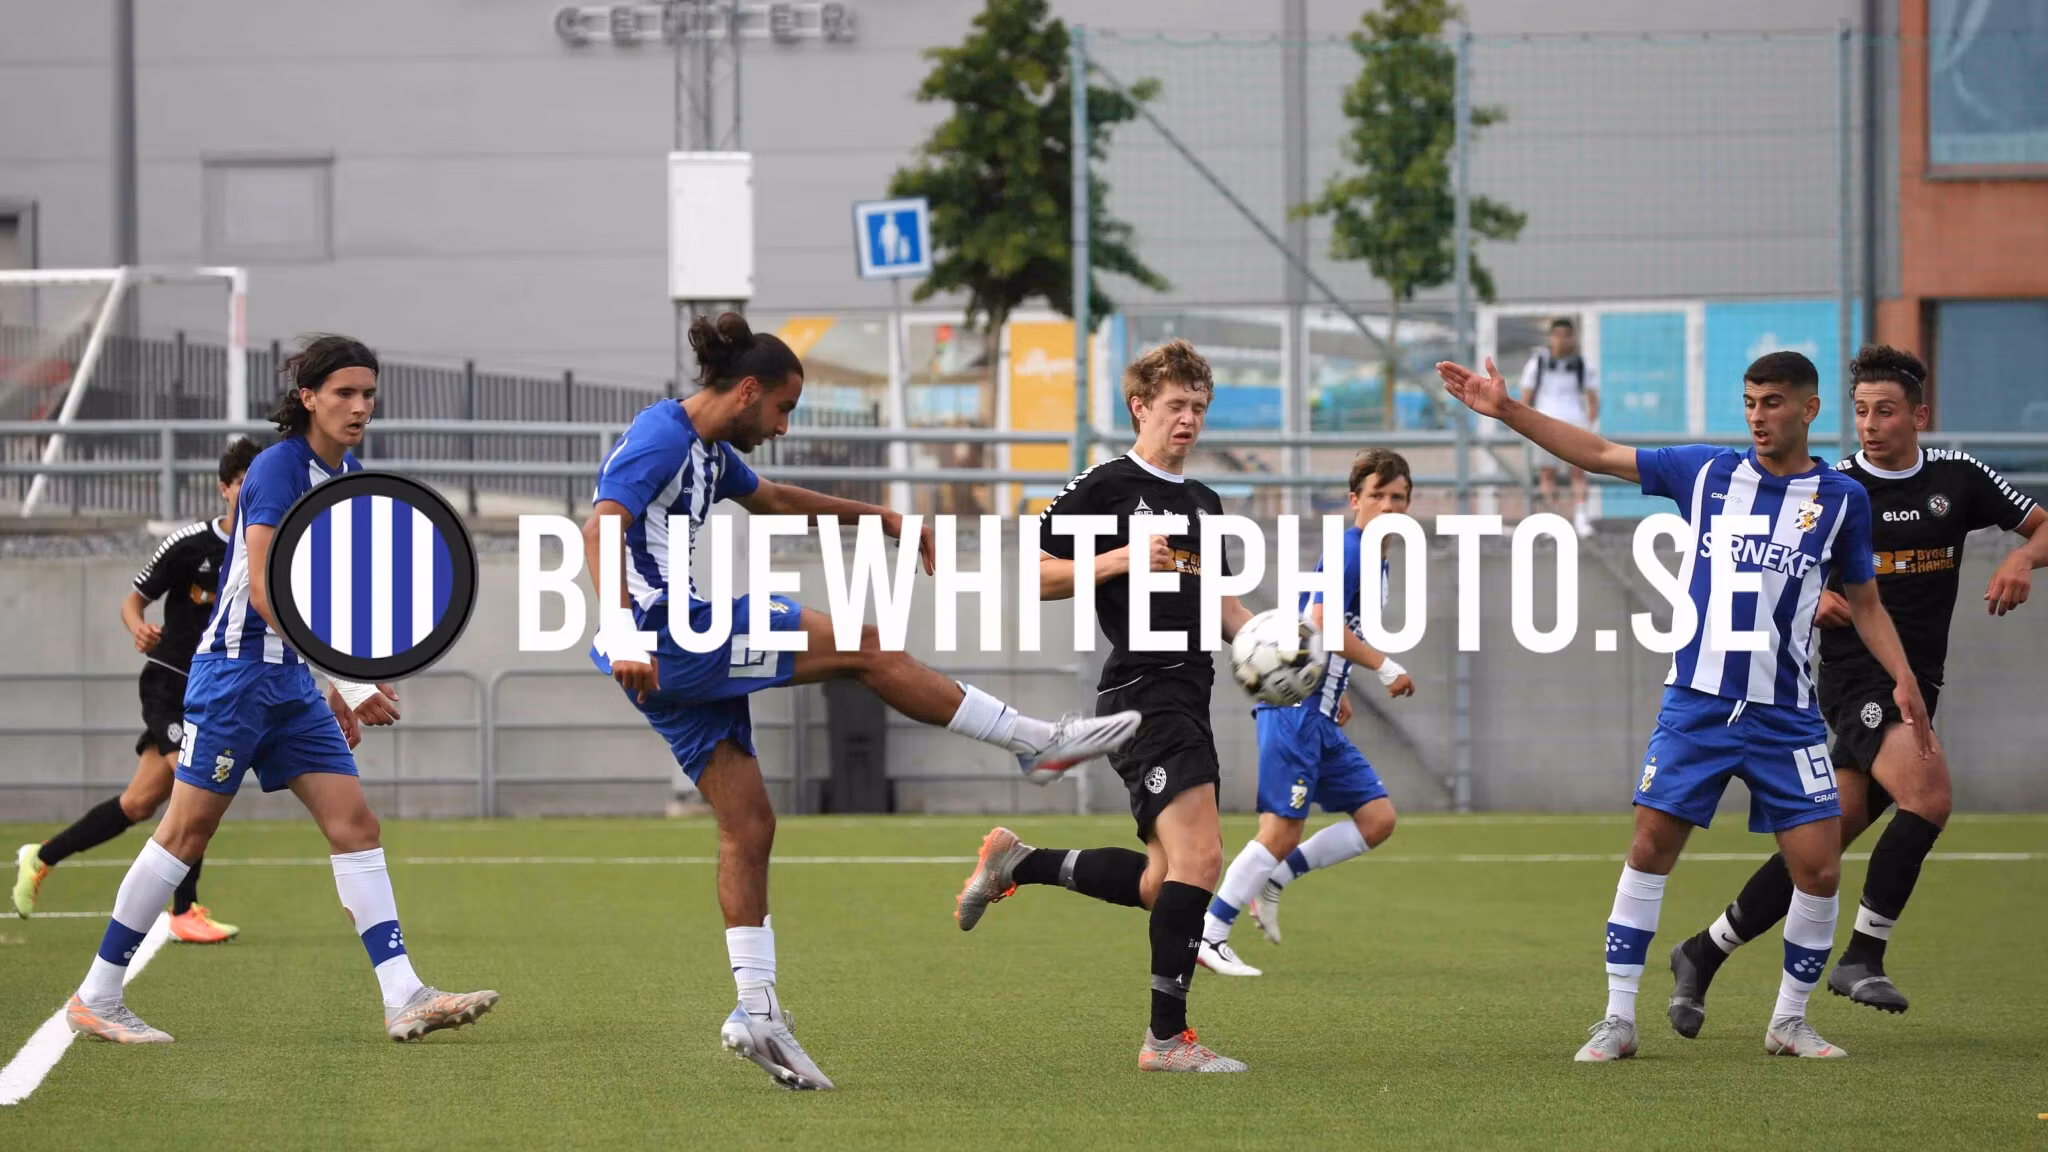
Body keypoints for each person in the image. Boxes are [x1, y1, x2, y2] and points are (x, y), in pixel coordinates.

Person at [586, 312, 1139, 1092]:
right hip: (665, 636)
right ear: (747, 391)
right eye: (782, 409)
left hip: (664, 653)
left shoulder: (707, 451)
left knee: (750, 825)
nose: (782, 427)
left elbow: (775, 499)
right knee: (865, 645)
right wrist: (623, 630)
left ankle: (757, 1012)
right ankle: (1034, 743)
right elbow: (601, 526)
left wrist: (882, 518)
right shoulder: (663, 437)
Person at [1435, 348, 1933, 1063]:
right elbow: (1599, 453)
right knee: (1649, 849)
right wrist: (1507, 409)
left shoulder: (1841, 499)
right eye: (1750, 402)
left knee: (1820, 868)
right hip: (1697, 703)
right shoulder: (1705, 472)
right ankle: (1617, 1019)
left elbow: (1867, 603)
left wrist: (1903, 676)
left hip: (1785, 713)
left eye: (1772, 403)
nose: (1758, 416)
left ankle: (1788, 1022)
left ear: (1809, 409)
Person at [61, 334, 499, 1046]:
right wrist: (346, 680)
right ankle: (97, 995)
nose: (360, 407)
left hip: (291, 681)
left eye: (368, 395)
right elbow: (269, 593)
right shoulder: (276, 468)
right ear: (308, 398)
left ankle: (404, 996)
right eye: (344, 394)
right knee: (184, 833)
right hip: (235, 677)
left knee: (355, 824)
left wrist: (335, 688)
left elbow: (329, 596)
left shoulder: (348, 474)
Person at [1667, 345, 2045, 1032]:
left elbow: (2043, 526)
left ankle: (1704, 949)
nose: (1870, 425)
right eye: (1862, 412)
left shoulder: (1960, 478)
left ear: (1918, 417)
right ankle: (1863, 955)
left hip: (1917, 682)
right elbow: (1763, 565)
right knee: (1929, 796)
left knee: (1820, 844)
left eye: (1885, 412)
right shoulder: (1831, 489)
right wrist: (1810, 597)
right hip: (1854, 676)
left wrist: (2022, 556)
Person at [952, 339, 1253, 1074]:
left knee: (1163, 880)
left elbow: (1218, 602)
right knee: (1202, 858)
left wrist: (1276, 646)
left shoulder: (1204, 503)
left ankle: (1020, 862)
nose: (1188, 420)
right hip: (1145, 692)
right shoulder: (1108, 485)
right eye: (1176, 405)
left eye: (1199, 408)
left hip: (1191, 690)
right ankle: (1166, 1041)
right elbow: (1034, 575)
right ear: (1139, 406)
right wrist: (1120, 557)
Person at [13, 438, 260, 945]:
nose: (251, 491)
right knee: (195, 785)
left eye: (258, 483)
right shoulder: (190, 544)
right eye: (242, 483)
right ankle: (184, 911)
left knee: (138, 804)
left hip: (217, 691)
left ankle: (41, 856)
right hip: (170, 684)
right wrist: (138, 628)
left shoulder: (266, 548)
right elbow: (133, 601)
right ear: (224, 488)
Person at [1195, 448, 1419, 978]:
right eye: (1378, 496)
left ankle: (1275, 879)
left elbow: (1315, 631)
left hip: (1318, 707)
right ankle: (1210, 933)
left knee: (1377, 819)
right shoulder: (1351, 551)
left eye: (1399, 497)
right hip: (1297, 713)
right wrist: (1385, 666)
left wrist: (1330, 682)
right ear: (1355, 500)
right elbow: (1322, 624)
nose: (1389, 506)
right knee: (1280, 831)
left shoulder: (1375, 556)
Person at [1517, 317, 1600, 537]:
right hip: (1545, 423)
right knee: (1547, 474)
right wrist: (1529, 425)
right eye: (1557, 335)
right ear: (1550, 338)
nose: (1562, 340)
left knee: (1578, 472)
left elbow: (1593, 400)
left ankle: (1580, 517)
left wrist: (1588, 425)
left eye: (1566, 336)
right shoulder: (1537, 364)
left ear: (1573, 338)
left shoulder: (1582, 365)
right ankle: (1552, 520)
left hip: (1575, 423)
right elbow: (1525, 397)